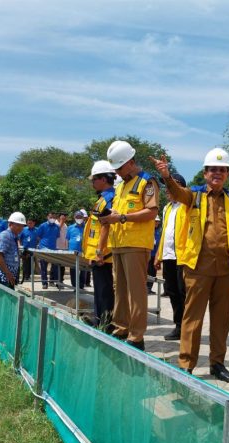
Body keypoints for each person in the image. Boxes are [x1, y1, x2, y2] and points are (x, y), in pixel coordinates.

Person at [151, 149, 229, 383]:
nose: (217, 173)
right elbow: (177, 193)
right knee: (193, 317)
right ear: (205, 173)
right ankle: (186, 364)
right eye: (213, 169)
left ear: (227, 174)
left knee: (222, 319)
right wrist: (166, 176)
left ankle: (217, 363)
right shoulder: (194, 196)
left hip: (227, 269)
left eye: (222, 170)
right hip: (198, 267)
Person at [99, 140, 159, 351]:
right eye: (115, 169)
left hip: (136, 244)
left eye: (120, 167)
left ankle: (136, 335)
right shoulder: (121, 186)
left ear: (131, 162)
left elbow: (151, 212)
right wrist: (113, 217)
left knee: (136, 292)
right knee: (121, 290)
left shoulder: (147, 182)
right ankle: (121, 327)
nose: (117, 172)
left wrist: (122, 217)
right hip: (119, 243)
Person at [154, 173, 189, 341]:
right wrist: (158, 255)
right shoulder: (167, 208)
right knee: (172, 291)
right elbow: (164, 233)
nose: (167, 189)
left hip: (183, 256)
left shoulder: (187, 205)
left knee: (184, 292)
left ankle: (186, 327)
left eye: (170, 186)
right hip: (168, 255)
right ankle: (178, 325)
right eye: (166, 186)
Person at [83, 161, 117, 326]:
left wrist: (99, 251)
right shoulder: (103, 198)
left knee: (104, 290)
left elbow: (106, 225)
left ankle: (105, 322)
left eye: (94, 179)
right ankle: (98, 320)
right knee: (99, 289)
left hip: (103, 254)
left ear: (103, 179)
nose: (92, 183)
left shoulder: (110, 198)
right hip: (98, 253)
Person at [0, 212, 26, 290]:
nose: (20, 228)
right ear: (10, 224)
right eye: (18, 225)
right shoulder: (5, 236)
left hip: (8, 278)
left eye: (22, 226)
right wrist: (8, 274)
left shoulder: (14, 237)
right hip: (2, 278)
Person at [35, 211, 61, 289]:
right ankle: (44, 283)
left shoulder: (57, 227)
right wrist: (42, 245)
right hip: (43, 249)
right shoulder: (42, 226)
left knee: (55, 267)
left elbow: (56, 236)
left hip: (53, 250)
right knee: (44, 268)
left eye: (54, 217)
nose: (52, 219)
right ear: (47, 217)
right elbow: (38, 236)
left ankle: (55, 282)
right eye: (50, 217)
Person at [67, 210, 87, 289]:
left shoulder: (86, 227)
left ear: (83, 218)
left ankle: (81, 286)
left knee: (83, 269)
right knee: (73, 270)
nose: (79, 218)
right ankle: (75, 286)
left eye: (80, 217)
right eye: (77, 217)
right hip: (72, 251)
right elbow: (67, 239)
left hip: (83, 251)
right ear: (74, 218)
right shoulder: (70, 228)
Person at [18, 218, 38, 283]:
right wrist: (20, 246)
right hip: (25, 249)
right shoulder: (23, 230)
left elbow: (39, 239)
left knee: (31, 263)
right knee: (25, 263)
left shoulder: (37, 230)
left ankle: (28, 276)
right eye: (28, 223)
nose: (29, 224)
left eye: (30, 223)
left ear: (34, 223)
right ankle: (25, 277)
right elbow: (19, 239)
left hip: (33, 249)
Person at [146, 216, 162, 295]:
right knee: (148, 271)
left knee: (153, 272)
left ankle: (149, 288)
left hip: (155, 255)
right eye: (155, 221)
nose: (157, 223)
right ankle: (146, 288)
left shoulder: (158, 231)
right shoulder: (148, 230)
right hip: (149, 254)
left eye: (157, 221)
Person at [55, 212, 69, 283]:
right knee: (55, 265)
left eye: (65, 217)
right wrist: (61, 222)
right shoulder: (56, 224)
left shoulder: (65, 225)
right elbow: (56, 231)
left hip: (64, 247)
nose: (64, 219)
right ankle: (54, 280)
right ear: (59, 217)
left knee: (62, 265)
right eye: (63, 217)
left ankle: (60, 280)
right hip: (57, 247)